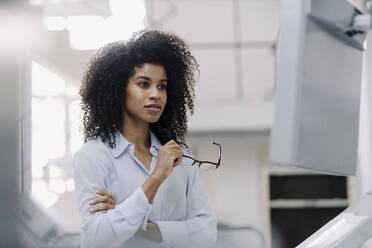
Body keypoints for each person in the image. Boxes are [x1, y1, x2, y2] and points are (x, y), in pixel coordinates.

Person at [73, 30, 217, 248]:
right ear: (119, 89)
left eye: (162, 86)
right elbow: (97, 239)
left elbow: (207, 233)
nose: (156, 94)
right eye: (144, 84)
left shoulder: (181, 156)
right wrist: (157, 177)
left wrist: (138, 225)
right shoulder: (93, 157)